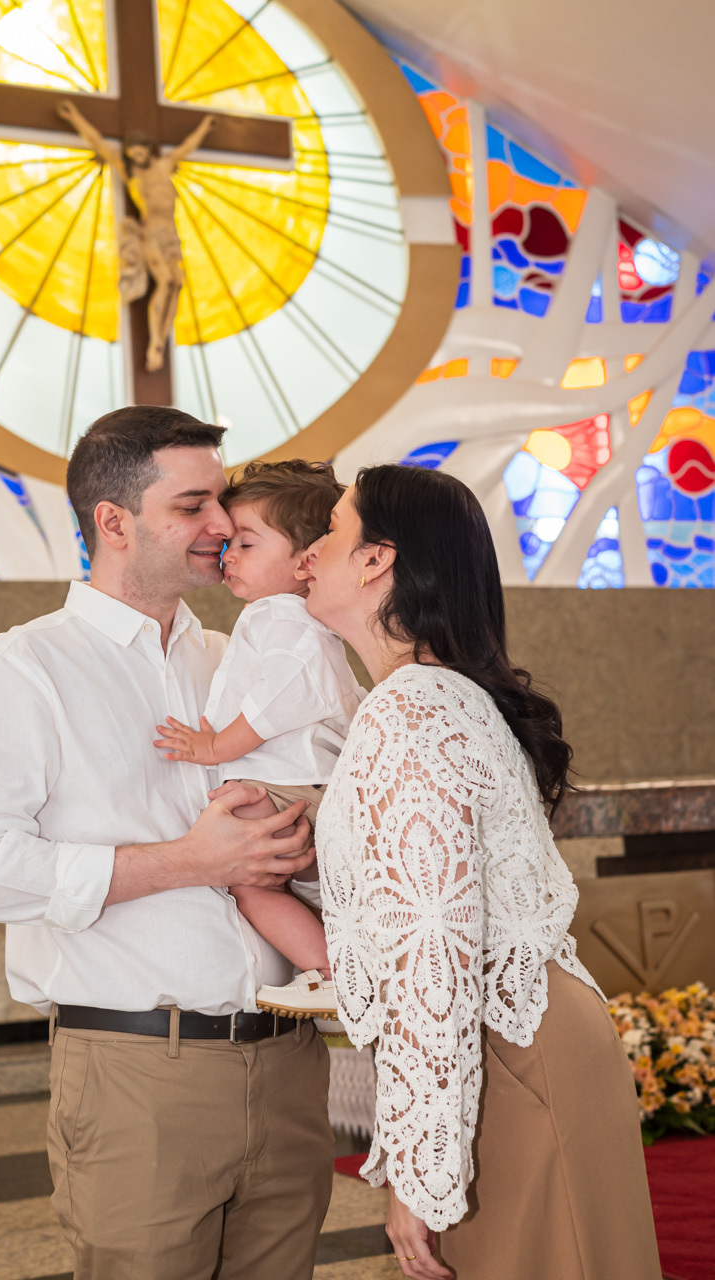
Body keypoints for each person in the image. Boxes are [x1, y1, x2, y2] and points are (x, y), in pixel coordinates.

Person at [0, 407, 334, 1280]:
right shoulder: (22, 668)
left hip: (290, 1064)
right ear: (113, 521)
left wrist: (305, 836)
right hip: (136, 1073)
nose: (223, 525)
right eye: (193, 504)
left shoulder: (240, 657)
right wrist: (189, 863)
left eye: (223, 502)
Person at [306, 464, 663, 1280]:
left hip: (506, 1051)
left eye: (331, 529)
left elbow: (436, 948)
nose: (310, 551)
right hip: (523, 1038)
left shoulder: (409, 709)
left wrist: (418, 1172)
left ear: (375, 561)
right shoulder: (437, 696)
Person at [155, 460, 365, 1020]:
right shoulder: (273, 615)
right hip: (290, 781)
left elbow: (283, 696)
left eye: (246, 543)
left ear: (307, 561)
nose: (229, 555)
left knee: (252, 886)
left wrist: (214, 748)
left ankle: (332, 974)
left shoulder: (285, 618)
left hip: (290, 784)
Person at [57, 100, 214, 371]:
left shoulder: (165, 165)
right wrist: (74, 118)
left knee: (176, 285)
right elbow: (98, 144)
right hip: (150, 234)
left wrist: (205, 126)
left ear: (148, 150)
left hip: (170, 236)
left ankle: (161, 340)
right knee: (164, 282)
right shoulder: (131, 174)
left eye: (141, 154)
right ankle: (155, 343)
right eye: (134, 156)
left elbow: (188, 146)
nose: (138, 159)